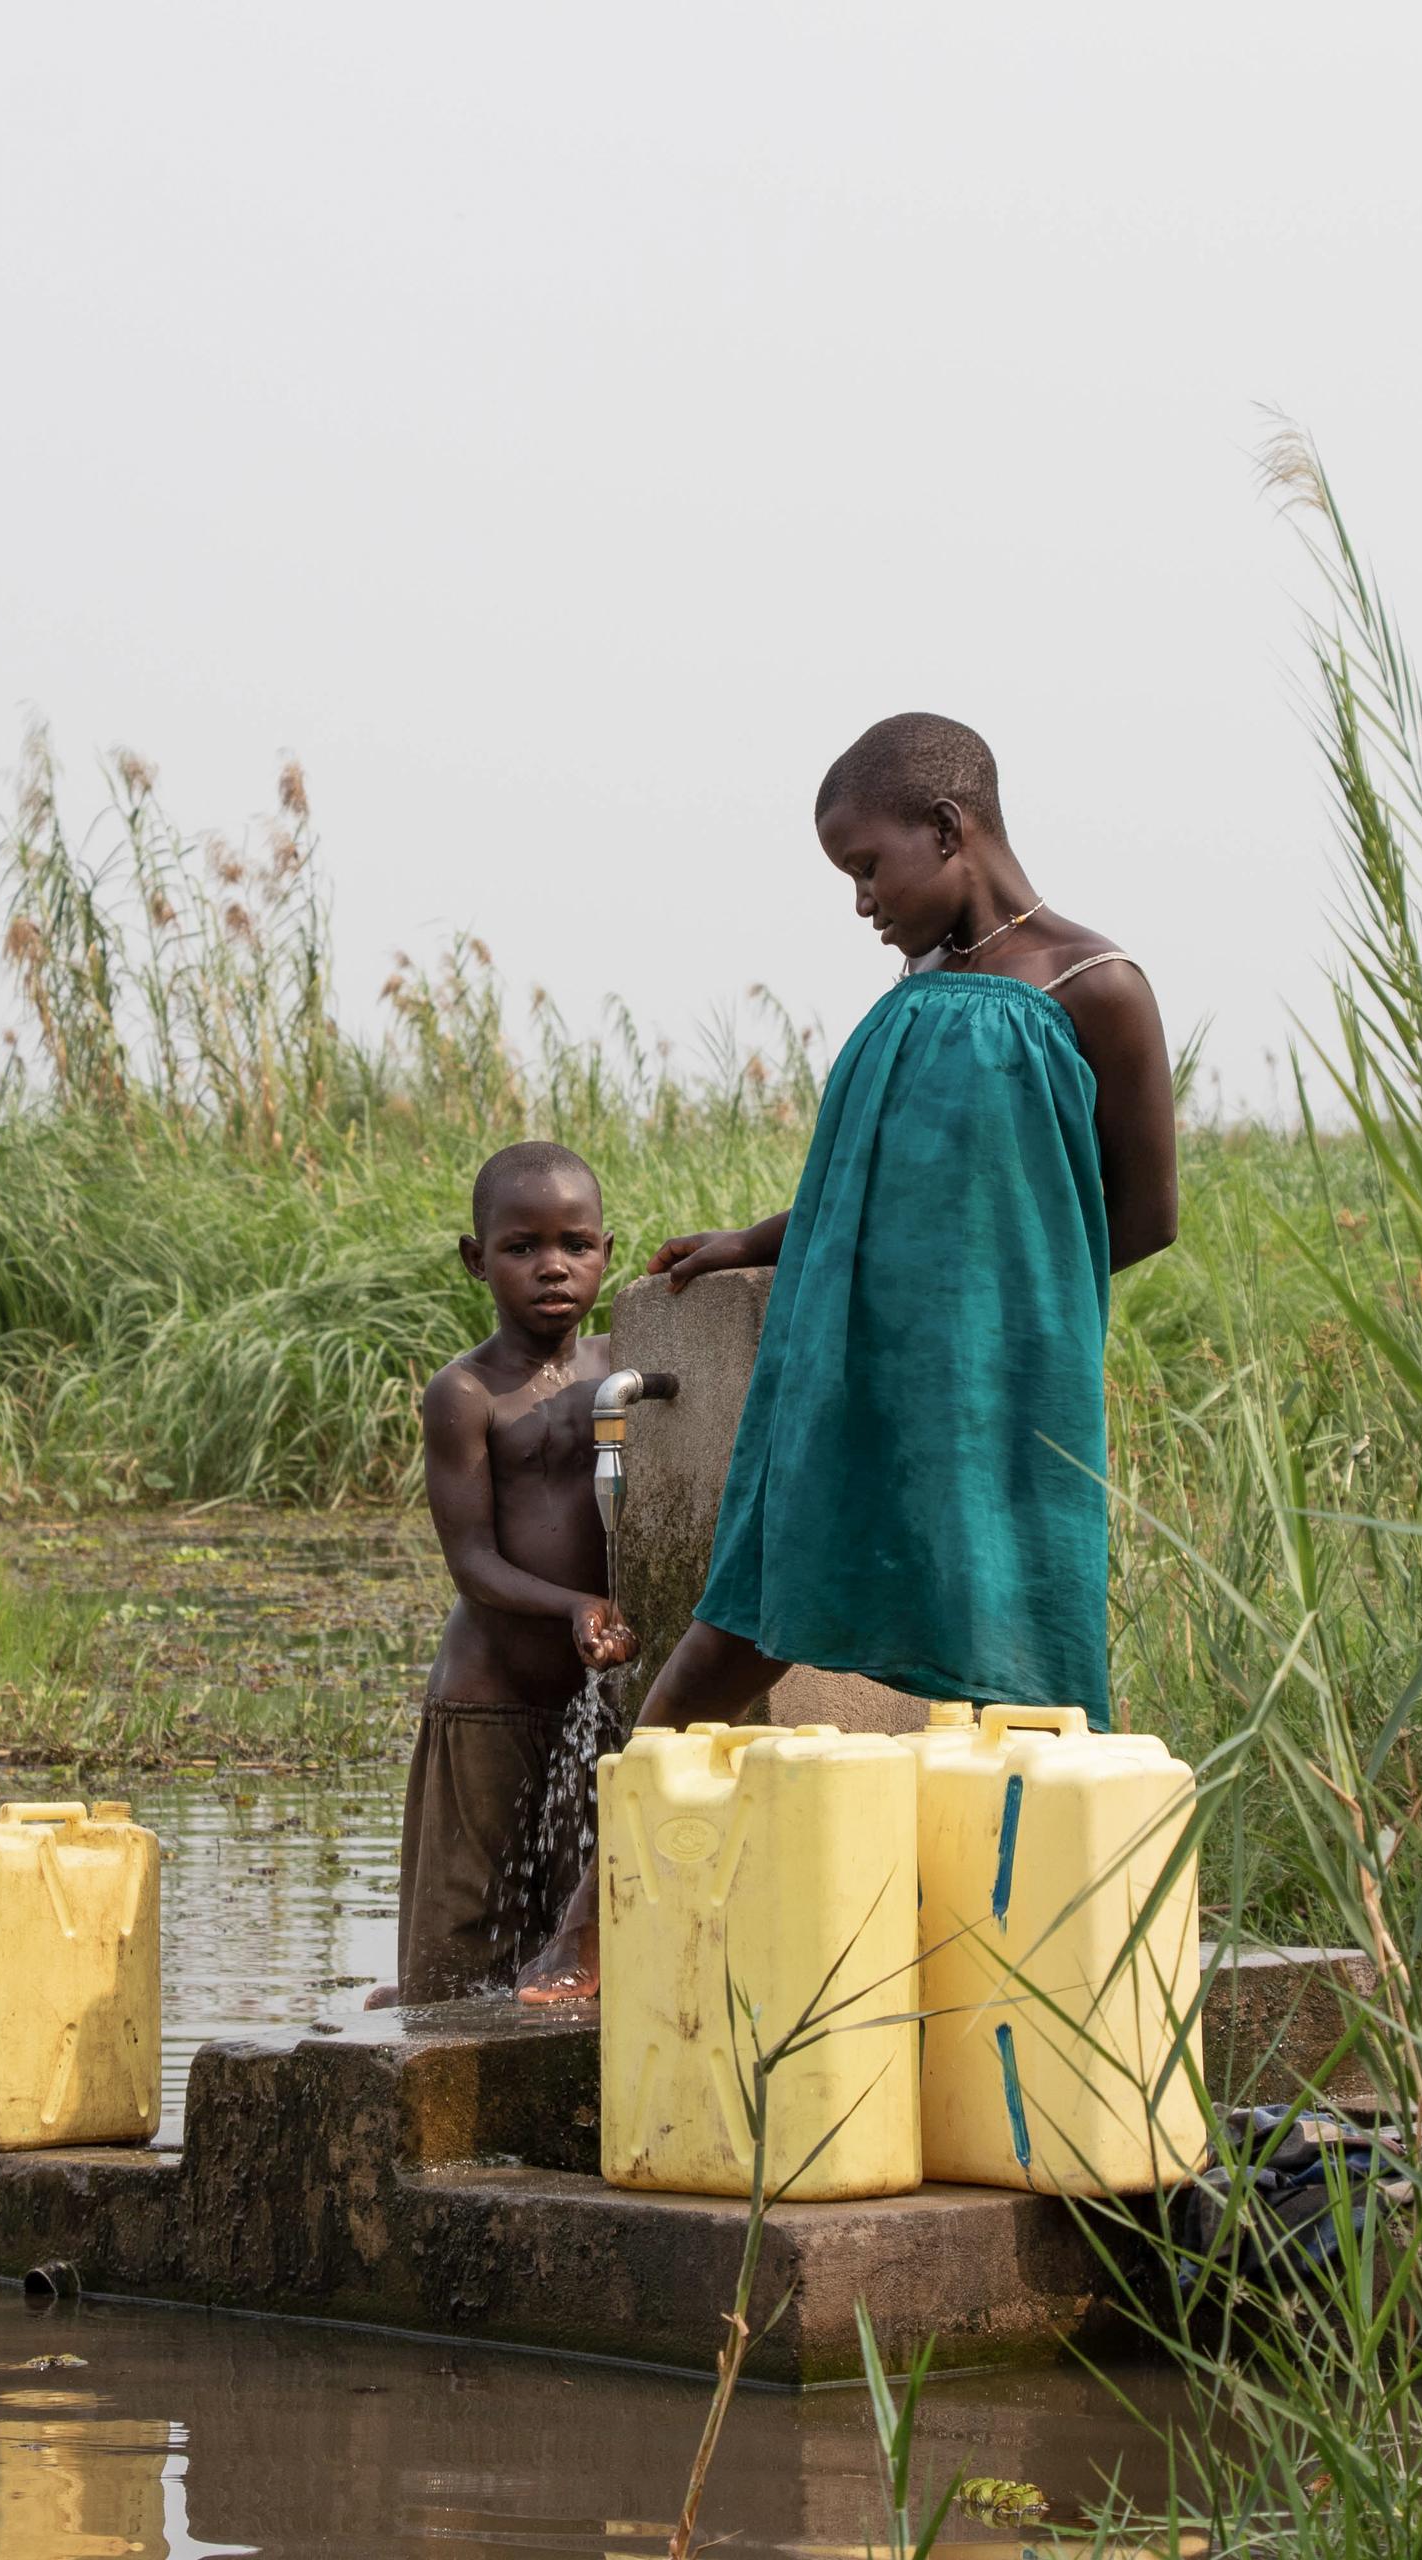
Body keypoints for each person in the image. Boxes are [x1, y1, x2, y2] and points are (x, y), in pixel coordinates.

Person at [516, 712, 1176, 2001]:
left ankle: (1046, 1955)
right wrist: (750, 1240)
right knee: (733, 1627)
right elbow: (866, 1185)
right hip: (844, 1381)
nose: (863, 902)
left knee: (1025, 1664)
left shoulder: (1096, 987)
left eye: (869, 868)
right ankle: (593, 1924)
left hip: (999, 1398)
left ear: (949, 829)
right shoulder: (914, 997)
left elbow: (1143, 1210)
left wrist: (997, 1314)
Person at [381, 1140, 641, 2004]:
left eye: (575, 1244)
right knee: (459, 1942)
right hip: (489, 1699)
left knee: (569, 1933)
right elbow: (475, 1565)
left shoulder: (623, 1367)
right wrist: (576, 1604)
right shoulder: (467, 1392)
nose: (552, 1268)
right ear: (475, 1259)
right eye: (521, 1249)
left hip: (588, 1694)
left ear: (610, 1251)